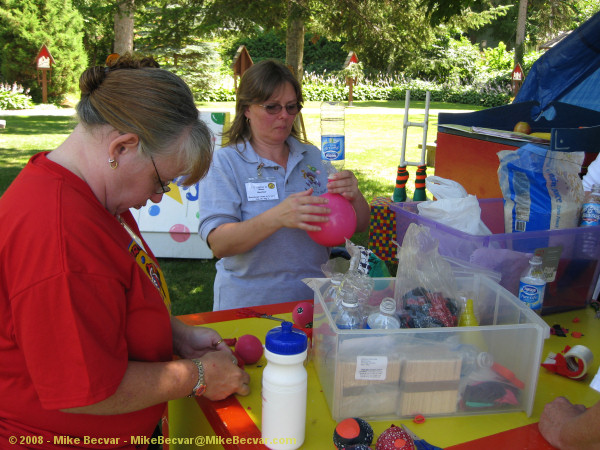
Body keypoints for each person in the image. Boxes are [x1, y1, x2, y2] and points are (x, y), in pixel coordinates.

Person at [0, 54, 250, 449]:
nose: (155, 196)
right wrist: (198, 376)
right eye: (159, 180)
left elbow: (110, 305)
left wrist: (175, 336)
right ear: (122, 147)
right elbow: (90, 389)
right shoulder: (62, 238)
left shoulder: (93, 195)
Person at [197, 60, 371, 311]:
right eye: (272, 107)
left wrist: (354, 195)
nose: (284, 116)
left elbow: (359, 224)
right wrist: (278, 216)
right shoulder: (227, 162)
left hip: (312, 302)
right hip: (249, 306)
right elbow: (220, 244)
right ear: (246, 108)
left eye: (291, 107)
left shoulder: (312, 157)